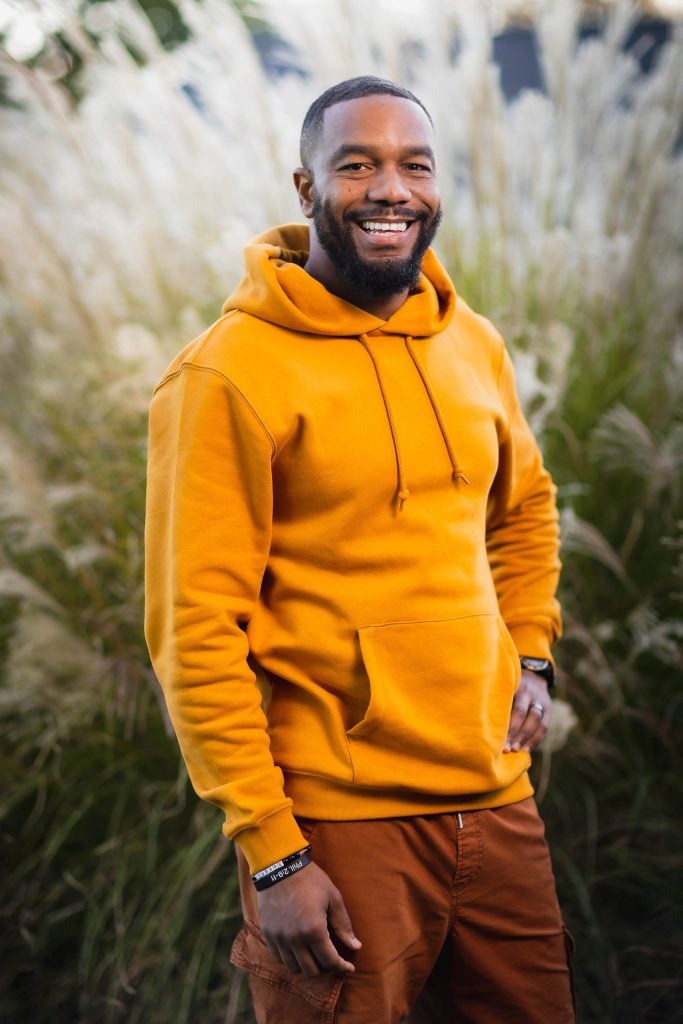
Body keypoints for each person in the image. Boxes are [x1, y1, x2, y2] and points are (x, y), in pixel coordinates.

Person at [145, 76, 575, 1023]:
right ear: (306, 189)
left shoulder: (473, 344)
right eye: (358, 165)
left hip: (497, 799)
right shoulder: (225, 373)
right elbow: (196, 628)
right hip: (337, 823)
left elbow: (525, 508)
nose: (391, 189)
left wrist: (532, 653)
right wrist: (274, 850)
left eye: (413, 165)